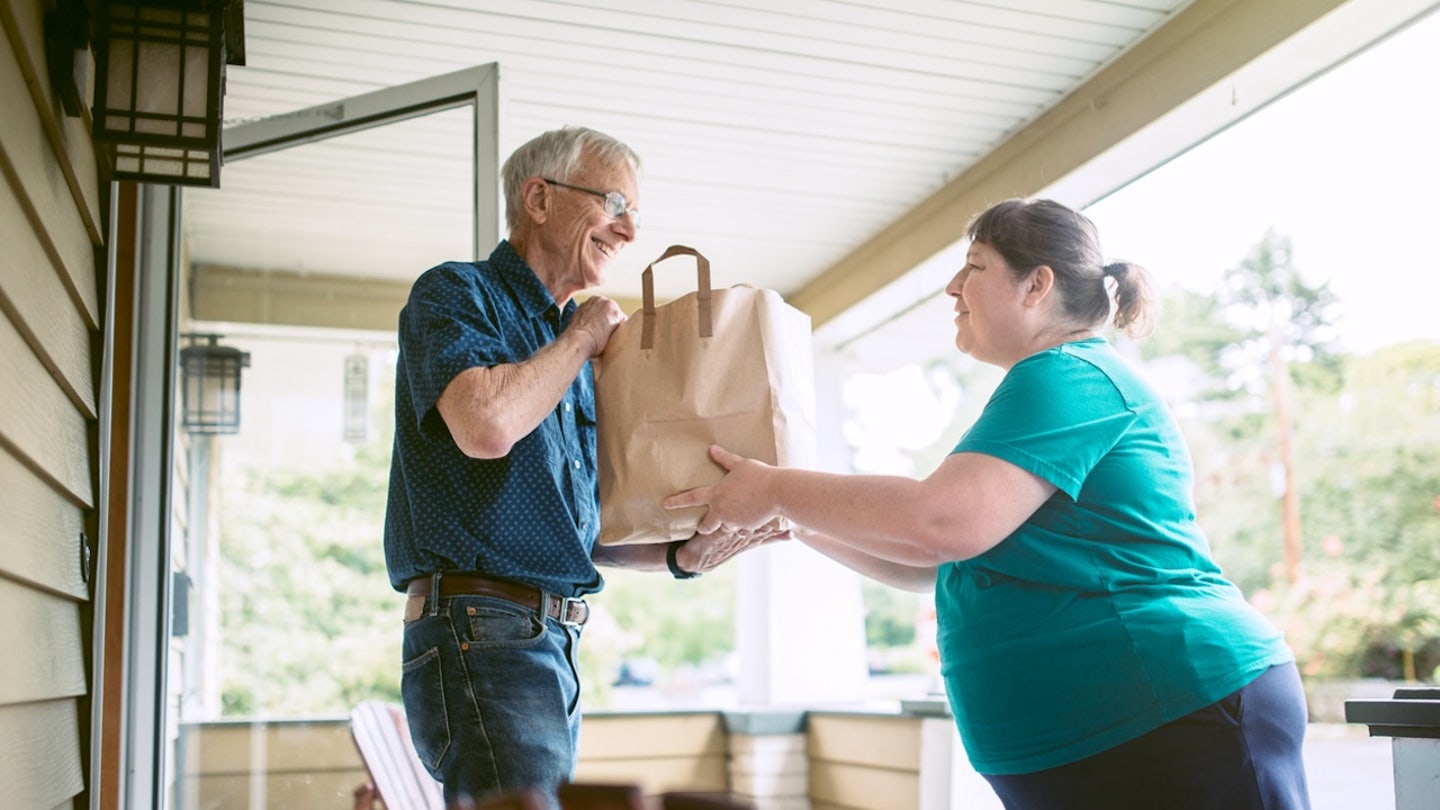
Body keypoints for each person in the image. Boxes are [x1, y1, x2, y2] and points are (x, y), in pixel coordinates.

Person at [665, 198, 1312, 809]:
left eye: (973, 269)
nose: (952, 289)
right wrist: (791, 519)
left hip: (1171, 709)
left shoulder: (1071, 374)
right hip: (1111, 734)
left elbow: (939, 523)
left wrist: (775, 487)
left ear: (1037, 286)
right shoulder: (1044, 388)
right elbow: (935, 562)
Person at [384, 126, 775, 806]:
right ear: (539, 198)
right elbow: (485, 426)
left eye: (636, 217)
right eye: (616, 204)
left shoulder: (569, 356)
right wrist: (583, 336)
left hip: (544, 642)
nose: (628, 232)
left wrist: (687, 555)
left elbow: (583, 533)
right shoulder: (458, 294)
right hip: (483, 629)